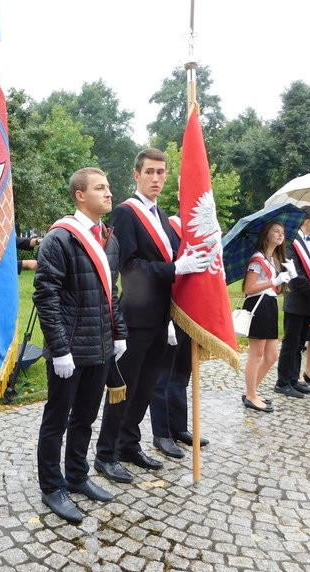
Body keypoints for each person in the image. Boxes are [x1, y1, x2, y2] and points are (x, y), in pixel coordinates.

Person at [95, 148, 209, 484]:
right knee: (123, 390)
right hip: (135, 318)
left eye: (161, 172)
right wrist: (175, 268)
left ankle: (129, 444)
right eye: (149, 172)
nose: (156, 178)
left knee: (145, 389)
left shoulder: (161, 216)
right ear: (136, 175)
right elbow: (130, 269)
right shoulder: (126, 214)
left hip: (161, 319)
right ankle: (106, 453)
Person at [33, 167, 128, 523]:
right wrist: (58, 348)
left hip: (100, 346)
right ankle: (51, 486)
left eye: (108, 186)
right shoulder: (60, 238)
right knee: (56, 420)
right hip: (69, 350)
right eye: (100, 187)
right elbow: (47, 295)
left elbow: (111, 293)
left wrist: (118, 334)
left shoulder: (109, 239)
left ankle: (76, 475)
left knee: (86, 418)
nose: (108, 193)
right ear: (80, 195)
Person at [149, 215, 209, 460]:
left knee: (182, 375)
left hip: (190, 312)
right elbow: (157, 273)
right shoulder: (166, 226)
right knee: (162, 377)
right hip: (169, 312)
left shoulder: (200, 232)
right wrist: (166, 317)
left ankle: (179, 427)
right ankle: (161, 434)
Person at [242, 221, 292, 412]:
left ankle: (252, 391)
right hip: (258, 306)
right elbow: (249, 288)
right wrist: (273, 281)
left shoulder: (273, 259)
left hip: (269, 305)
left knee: (271, 356)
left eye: (282, 232)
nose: (281, 234)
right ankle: (251, 395)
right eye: (276, 231)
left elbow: (275, 290)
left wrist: (286, 278)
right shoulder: (257, 259)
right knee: (256, 355)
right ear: (266, 234)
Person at [275, 206, 310, 399]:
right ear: (307, 221)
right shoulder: (291, 244)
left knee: (300, 343)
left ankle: (294, 379)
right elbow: (295, 277)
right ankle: (283, 382)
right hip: (296, 300)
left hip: (309, 302)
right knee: (291, 343)